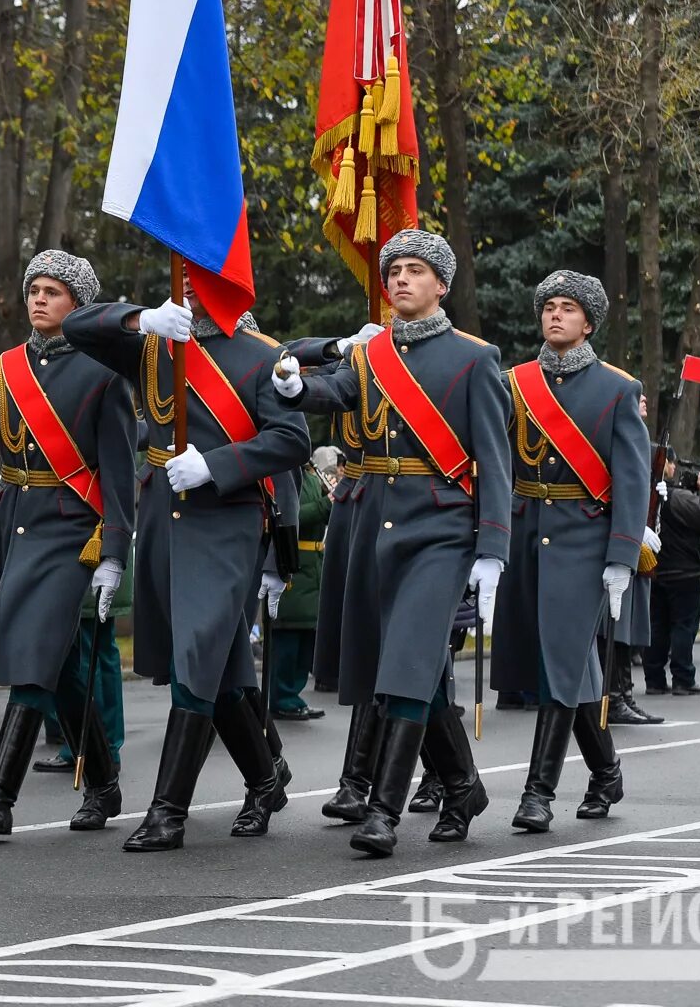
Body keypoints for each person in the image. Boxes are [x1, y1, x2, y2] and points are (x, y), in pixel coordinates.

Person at [272, 229, 510, 856]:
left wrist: (492, 549)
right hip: (378, 525)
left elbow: (493, 457)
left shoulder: (474, 358)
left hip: (442, 526)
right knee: (405, 665)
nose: (400, 279)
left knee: (407, 661)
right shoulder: (369, 354)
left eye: (414, 270)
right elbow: (334, 391)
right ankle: (461, 784)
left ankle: (385, 810)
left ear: (442, 284)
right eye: (394, 270)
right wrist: (298, 388)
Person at [65, 269, 309, 852]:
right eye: (186, 284)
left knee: (198, 652)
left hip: (226, 520)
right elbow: (78, 328)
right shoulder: (156, 349)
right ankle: (265, 780)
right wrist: (140, 319)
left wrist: (218, 464)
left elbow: (292, 441)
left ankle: (168, 810)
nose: (191, 294)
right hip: (163, 522)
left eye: (204, 285)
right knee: (216, 669)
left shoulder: (261, 357)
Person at [0, 250, 133, 837]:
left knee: (35, 663)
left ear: (78, 305)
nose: (40, 299)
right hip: (16, 517)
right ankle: (105, 783)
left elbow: (118, 469)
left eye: (54, 292)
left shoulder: (103, 371)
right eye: (35, 289)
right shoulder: (2, 367)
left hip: (72, 527)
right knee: (58, 663)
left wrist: (115, 549)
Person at [491, 272, 648, 831]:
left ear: (588, 322)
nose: (555, 316)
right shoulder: (515, 383)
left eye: (568, 309)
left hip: (584, 539)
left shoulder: (617, 389)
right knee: (566, 663)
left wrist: (622, 556)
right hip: (527, 530)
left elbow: (631, 479)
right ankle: (606, 773)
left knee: (561, 660)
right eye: (549, 307)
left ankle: (538, 793)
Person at [645, 451, 700, 697]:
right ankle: (683, 677)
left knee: (657, 626)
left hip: (655, 571)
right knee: (683, 627)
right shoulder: (676, 497)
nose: (674, 466)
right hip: (684, 573)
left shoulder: (646, 496)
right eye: (671, 461)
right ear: (663, 465)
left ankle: (654, 679)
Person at [271, 455, 333, 722]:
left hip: (314, 565)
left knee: (306, 636)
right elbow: (292, 515)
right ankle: (282, 697)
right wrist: (324, 503)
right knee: (288, 639)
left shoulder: (309, 475)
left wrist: (331, 496)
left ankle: (292, 695)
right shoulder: (283, 473)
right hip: (295, 562)